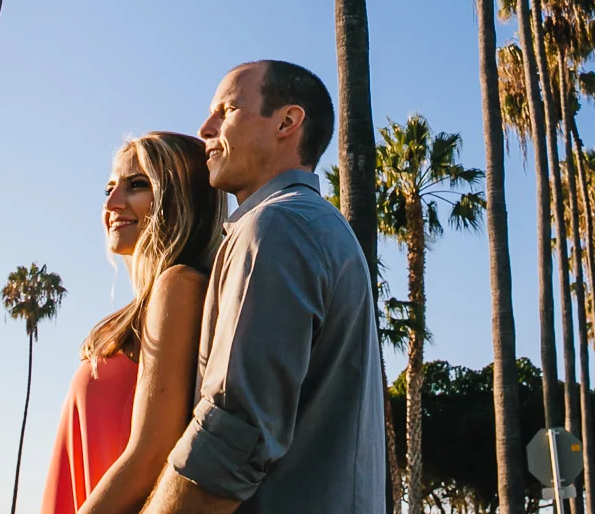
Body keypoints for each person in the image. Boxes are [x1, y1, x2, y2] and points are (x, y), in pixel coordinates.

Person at [141, 60, 386, 514]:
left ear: (287, 122)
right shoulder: (311, 225)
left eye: (226, 110)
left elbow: (229, 439)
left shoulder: (276, 226)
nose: (204, 128)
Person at [41, 132, 228, 514]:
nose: (111, 203)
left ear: (180, 196)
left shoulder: (180, 286)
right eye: (110, 188)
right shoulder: (146, 307)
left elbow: (152, 455)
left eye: (137, 185)